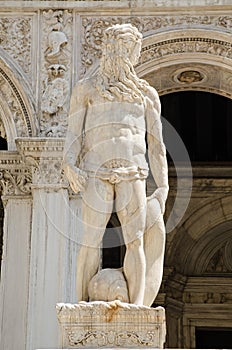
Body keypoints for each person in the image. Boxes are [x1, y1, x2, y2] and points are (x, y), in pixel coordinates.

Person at [63, 23, 168, 305]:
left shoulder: (146, 95)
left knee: (135, 241)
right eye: (134, 50)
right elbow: (74, 133)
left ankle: (135, 309)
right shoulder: (86, 90)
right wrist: (68, 163)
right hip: (97, 171)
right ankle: (81, 306)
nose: (135, 56)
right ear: (122, 51)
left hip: (133, 172)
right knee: (90, 241)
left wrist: (164, 185)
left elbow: (157, 144)